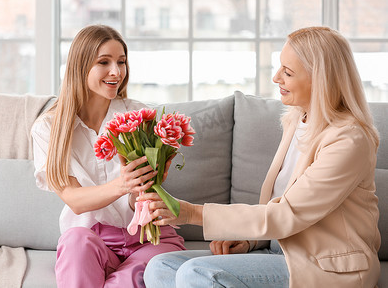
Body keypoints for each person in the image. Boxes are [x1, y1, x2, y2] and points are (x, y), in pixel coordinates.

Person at [142, 26, 381, 287]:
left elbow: (287, 214)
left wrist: (190, 213)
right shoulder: (298, 120)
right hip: (280, 252)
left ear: (320, 79)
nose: (276, 77)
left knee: (198, 272)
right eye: (280, 67)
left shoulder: (348, 140)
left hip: (324, 265)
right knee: (161, 266)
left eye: (288, 72)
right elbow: (280, 209)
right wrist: (250, 241)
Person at [31, 25, 185, 288]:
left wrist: (146, 186)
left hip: (148, 239)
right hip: (91, 238)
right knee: (75, 242)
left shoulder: (141, 117)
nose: (117, 72)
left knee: (141, 273)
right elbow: (75, 200)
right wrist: (124, 184)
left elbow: (144, 198)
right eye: (104, 62)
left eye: (121, 62)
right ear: (81, 67)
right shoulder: (48, 128)